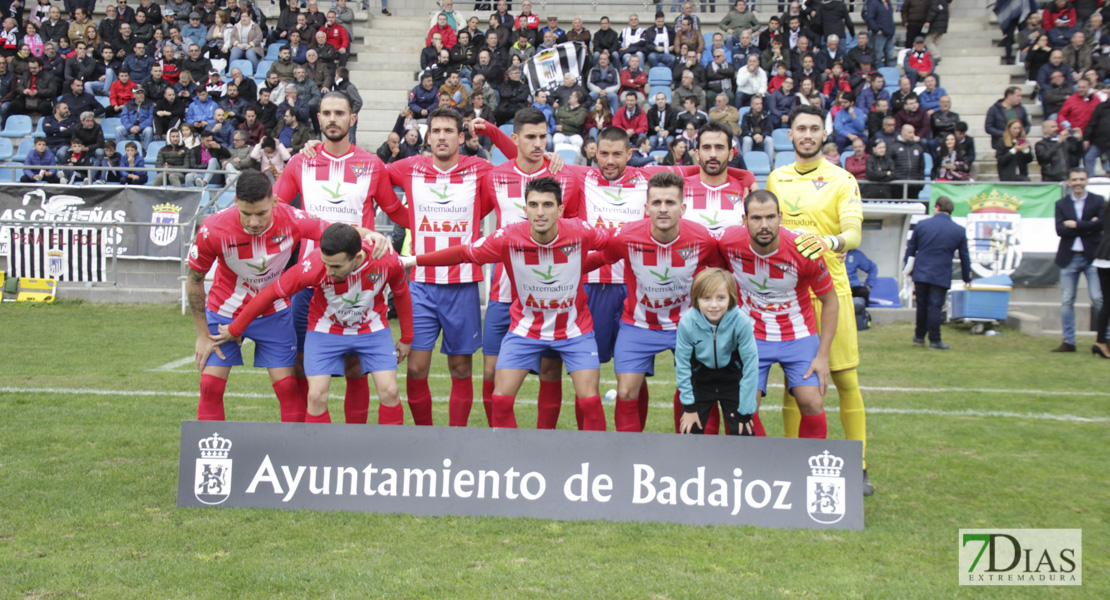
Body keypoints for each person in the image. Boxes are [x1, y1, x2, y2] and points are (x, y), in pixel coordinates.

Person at [401, 177, 610, 431]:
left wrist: (585, 265)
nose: (540, 212)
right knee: (500, 400)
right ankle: (510, 463)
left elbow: (615, 244)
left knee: (590, 401)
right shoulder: (507, 238)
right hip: (525, 330)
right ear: (525, 209)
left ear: (560, 209)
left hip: (575, 331)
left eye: (547, 204)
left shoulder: (580, 231)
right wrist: (412, 261)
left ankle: (599, 464)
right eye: (533, 205)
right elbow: (463, 253)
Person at [766, 104, 872, 494]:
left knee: (845, 378)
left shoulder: (842, 179)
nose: (807, 135)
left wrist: (828, 242)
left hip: (832, 293)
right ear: (789, 135)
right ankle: (796, 461)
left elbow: (854, 235)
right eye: (800, 129)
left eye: (814, 128)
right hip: (789, 295)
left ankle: (857, 465)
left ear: (823, 135)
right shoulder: (777, 178)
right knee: (795, 384)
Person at [212, 223, 412, 424]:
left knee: (390, 391)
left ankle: (388, 454)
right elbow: (269, 294)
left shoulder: (387, 261)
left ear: (357, 258)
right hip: (325, 330)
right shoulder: (314, 265)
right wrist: (235, 328)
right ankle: (318, 453)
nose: (329, 271)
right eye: (326, 263)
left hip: (372, 330)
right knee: (316, 396)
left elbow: (402, 295)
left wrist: (406, 338)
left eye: (336, 266)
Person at [464, 109, 584, 427]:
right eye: (530, 137)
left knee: (549, 371)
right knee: (491, 372)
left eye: (543, 137)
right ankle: (500, 439)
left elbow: (572, 228)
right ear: (515, 139)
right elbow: (477, 214)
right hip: (503, 291)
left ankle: (542, 441)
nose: (538, 143)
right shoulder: (496, 175)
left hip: (547, 292)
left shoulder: (564, 177)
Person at [185, 171, 329, 422]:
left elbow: (337, 235)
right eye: (246, 213)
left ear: (274, 202)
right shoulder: (213, 229)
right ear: (236, 203)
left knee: (287, 388)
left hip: (273, 314)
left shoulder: (293, 218)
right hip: (225, 313)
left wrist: (371, 236)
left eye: (261, 213)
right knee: (210, 386)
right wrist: (201, 335)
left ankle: (292, 457)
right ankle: (209, 457)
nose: (253, 222)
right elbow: (194, 280)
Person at [586, 171, 720, 432]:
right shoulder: (627, 236)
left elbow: (723, 269)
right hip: (638, 326)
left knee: (696, 391)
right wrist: (563, 265)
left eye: (670, 203)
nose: (663, 209)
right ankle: (630, 457)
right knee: (625, 393)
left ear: (683, 207)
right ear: (646, 207)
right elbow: (600, 259)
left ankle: (693, 452)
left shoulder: (702, 238)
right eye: (656, 203)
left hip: (687, 325)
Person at [718, 189, 838, 439]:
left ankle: (806, 468)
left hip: (799, 335)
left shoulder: (804, 250)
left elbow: (830, 301)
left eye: (771, 217)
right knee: (743, 410)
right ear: (744, 220)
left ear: (781, 217)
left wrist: (823, 356)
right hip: (750, 336)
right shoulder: (727, 243)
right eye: (756, 218)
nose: (764, 225)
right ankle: (761, 470)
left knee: (812, 403)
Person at [674, 267, 758, 435]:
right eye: (706, 298)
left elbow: (751, 364)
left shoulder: (741, 321)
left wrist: (746, 408)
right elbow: (682, 365)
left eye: (721, 298)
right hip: (701, 380)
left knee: (743, 433)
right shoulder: (687, 322)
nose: (713, 305)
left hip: (731, 379)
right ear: (696, 299)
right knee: (690, 432)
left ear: (731, 298)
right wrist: (689, 407)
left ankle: (738, 462)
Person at [903, 195, 971, 350]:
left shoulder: (922, 225)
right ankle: (935, 340)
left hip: (921, 271)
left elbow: (911, 249)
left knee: (921, 306)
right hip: (941, 273)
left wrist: (907, 268)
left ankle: (919, 336)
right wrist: (967, 277)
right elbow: (964, 256)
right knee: (935, 307)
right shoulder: (959, 231)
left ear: (938, 207)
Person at [1053, 168, 1106, 353]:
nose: (1078, 182)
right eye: (1074, 179)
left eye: (1082, 179)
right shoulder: (1061, 203)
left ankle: (1105, 339)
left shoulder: (1098, 200)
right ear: (1069, 182)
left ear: (1087, 181)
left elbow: (1100, 225)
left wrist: (1075, 224)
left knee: (1099, 299)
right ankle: (1069, 341)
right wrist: (1088, 225)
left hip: (1092, 257)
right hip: (1069, 257)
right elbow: (1060, 230)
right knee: (1067, 300)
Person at [683, 120, 757, 235]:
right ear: (697, 154)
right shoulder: (680, 189)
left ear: (731, 154)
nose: (713, 154)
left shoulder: (746, 192)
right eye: (706, 148)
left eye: (719, 148)